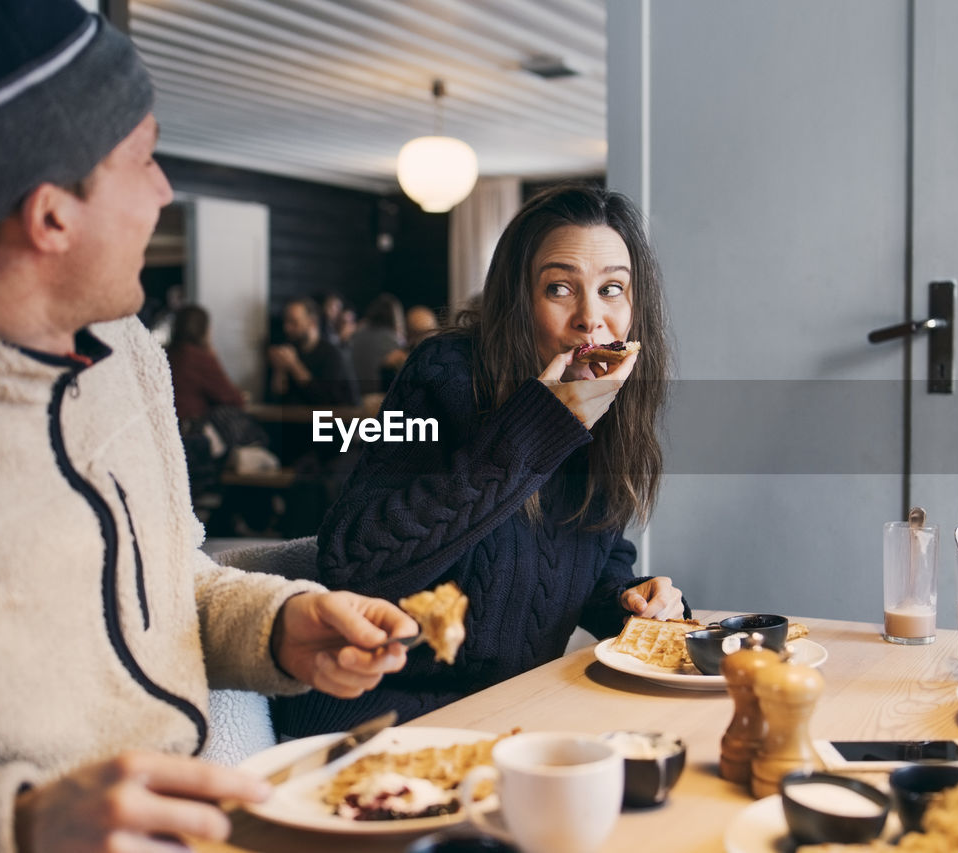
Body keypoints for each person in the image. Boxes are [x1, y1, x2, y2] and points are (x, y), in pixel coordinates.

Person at [0, 2, 416, 851]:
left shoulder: (125, 350)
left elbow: (172, 580)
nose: (164, 191)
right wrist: (20, 830)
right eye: (143, 156)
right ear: (50, 219)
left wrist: (278, 625)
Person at [273, 184, 686, 737]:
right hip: (381, 719)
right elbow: (354, 562)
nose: (591, 319)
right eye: (560, 288)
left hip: (513, 716)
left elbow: (587, 559)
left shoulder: (609, 402)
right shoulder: (446, 373)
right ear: (520, 298)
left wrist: (631, 601)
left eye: (612, 289)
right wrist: (536, 429)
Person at [266, 296, 360, 408]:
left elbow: (325, 399)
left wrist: (294, 366)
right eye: (286, 321)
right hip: (293, 422)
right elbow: (276, 400)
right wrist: (279, 371)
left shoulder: (332, 354)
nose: (287, 328)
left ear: (312, 322)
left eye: (294, 322)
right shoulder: (290, 350)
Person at [348, 292, 406, 394]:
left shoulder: (357, 334)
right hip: (377, 397)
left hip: (355, 394)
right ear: (395, 316)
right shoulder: (392, 340)